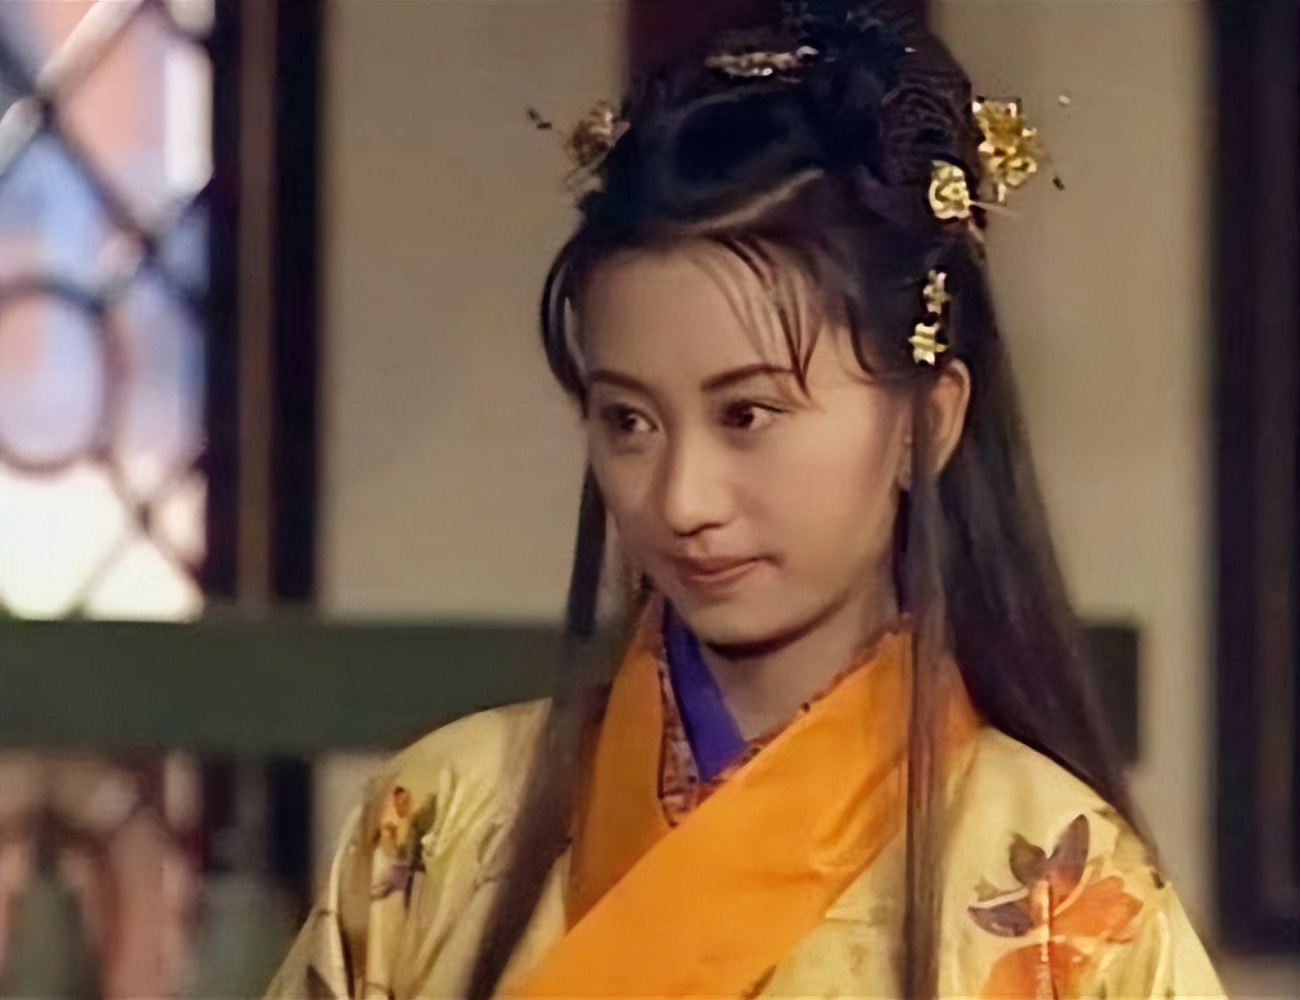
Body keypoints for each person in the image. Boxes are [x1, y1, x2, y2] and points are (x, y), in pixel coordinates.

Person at [267, 3, 1225, 997]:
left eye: (747, 414)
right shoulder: (433, 824)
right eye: (629, 421)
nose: (681, 500)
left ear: (925, 421)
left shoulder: (1065, 898)